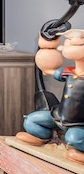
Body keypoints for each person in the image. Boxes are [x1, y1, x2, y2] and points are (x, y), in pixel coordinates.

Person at [16, 28, 84, 163]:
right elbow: (48, 70)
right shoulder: (69, 72)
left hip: (79, 123)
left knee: (73, 138)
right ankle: (43, 137)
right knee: (31, 120)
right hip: (60, 115)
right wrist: (46, 45)